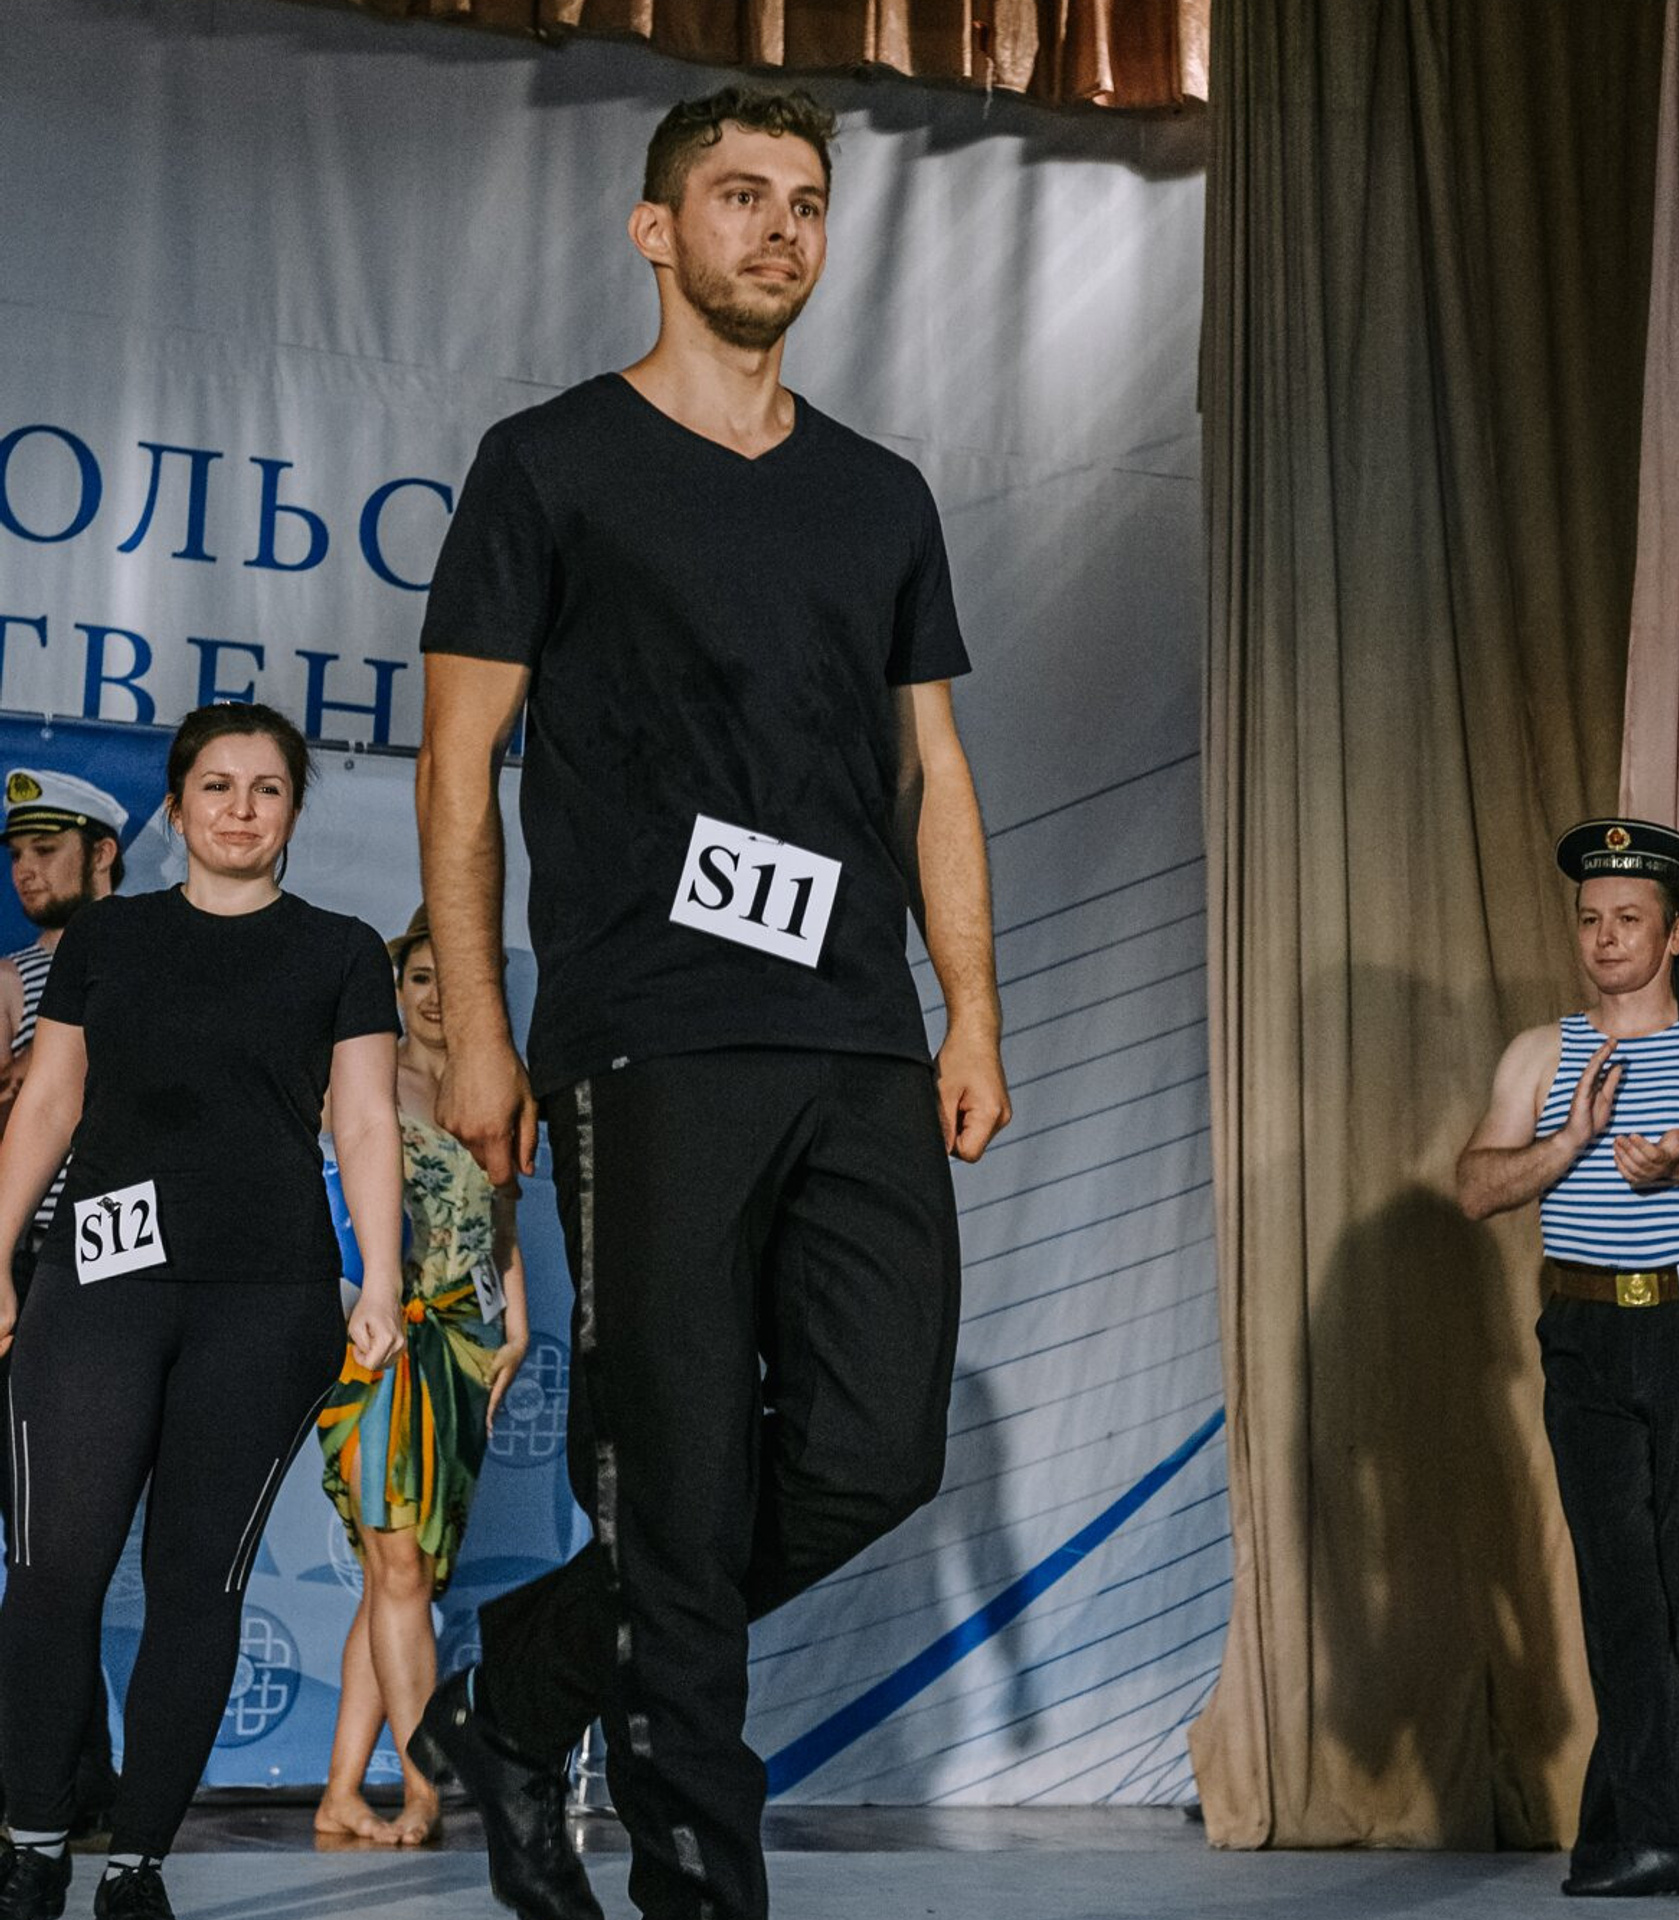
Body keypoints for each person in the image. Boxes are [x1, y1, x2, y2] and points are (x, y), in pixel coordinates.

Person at [406, 84, 1010, 1920]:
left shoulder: (879, 491)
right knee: (673, 1468)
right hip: (646, 1035)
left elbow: (934, 770)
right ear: (653, 230)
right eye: (740, 195)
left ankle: (525, 1684)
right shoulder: (551, 462)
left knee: (869, 1456)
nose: (781, 229)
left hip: (855, 1034)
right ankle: (698, 1889)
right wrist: (487, 1044)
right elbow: (459, 767)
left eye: (809, 201)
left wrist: (970, 1006)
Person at [0, 704, 406, 1920]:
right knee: (53, 1571)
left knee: (196, 1585)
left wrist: (378, 1279)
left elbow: (368, 1123)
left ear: (291, 811)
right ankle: (29, 1842)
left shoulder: (341, 948)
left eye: (267, 788)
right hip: (99, 1285)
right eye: (216, 787)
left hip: (266, 1298)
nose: (240, 808)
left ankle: (137, 1866)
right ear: (176, 810)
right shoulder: (109, 938)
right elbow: (51, 1100)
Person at [1456, 818, 1679, 1900]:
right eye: (1590, 919)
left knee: (1664, 1583)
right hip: (1584, 1331)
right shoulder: (1541, 1052)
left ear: (1676, 933)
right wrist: (1567, 1146)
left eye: (1629, 919)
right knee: (1620, 1573)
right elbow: (1475, 1188)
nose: (1605, 938)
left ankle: (1617, 1840)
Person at [315, 907, 529, 1847]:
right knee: (399, 1564)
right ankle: (427, 1784)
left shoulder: (492, 1089)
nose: (438, 998)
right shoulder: (364, 1078)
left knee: (397, 1576)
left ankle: (339, 1794)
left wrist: (516, 1327)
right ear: (396, 990)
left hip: (466, 1349)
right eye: (420, 978)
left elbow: (505, 1216)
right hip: (382, 1343)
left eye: (456, 978)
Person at [0, 770, 128, 1833]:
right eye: (18, 850)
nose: (27, 867)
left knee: (63, 1544)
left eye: (50, 845)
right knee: (36, 1544)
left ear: (107, 853)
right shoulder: (9, 981)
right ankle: (63, 1779)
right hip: (24, 1273)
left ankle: (80, 1784)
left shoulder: (155, 958)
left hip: (118, 1281)